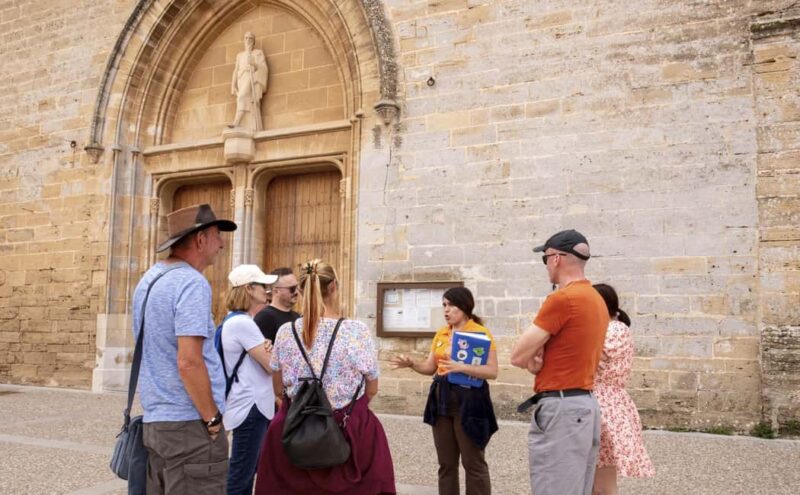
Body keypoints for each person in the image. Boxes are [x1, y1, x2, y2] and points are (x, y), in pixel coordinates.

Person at [254, 259, 396, 495]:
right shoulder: (355, 331)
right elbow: (372, 388)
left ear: (300, 290)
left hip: (295, 428)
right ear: (334, 287)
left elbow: (278, 388)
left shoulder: (286, 332)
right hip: (347, 427)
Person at [133, 203, 236, 494]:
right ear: (200, 239)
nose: (222, 243)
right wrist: (212, 418)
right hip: (189, 425)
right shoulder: (191, 282)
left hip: (157, 422)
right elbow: (189, 362)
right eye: (217, 235)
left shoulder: (148, 280)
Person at [510, 229, 609, 495]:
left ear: (555, 258)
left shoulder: (563, 298)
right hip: (585, 403)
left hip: (562, 407)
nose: (545, 266)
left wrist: (534, 357)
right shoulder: (596, 299)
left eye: (545, 259)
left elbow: (518, 355)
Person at [391, 287, 498, 495]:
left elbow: (492, 371)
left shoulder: (480, 333)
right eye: (444, 305)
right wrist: (412, 364)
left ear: (465, 307)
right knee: (446, 463)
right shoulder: (442, 333)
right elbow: (430, 367)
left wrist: (462, 367)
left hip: (470, 400)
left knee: (472, 462)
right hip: (442, 398)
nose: (446, 310)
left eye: (451, 305)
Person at [220, 264, 279, 495]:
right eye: (263, 286)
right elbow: (272, 365)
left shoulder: (235, 321)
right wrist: (273, 350)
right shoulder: (244, 324)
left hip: (247, 405)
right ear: (248, 289)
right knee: (241, 475)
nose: (267, 290)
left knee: (245, 472)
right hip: (250, 407)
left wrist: (268, 349)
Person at [591, 284, 654, 495]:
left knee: (602, 486)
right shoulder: (605, 329)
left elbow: (588, 358)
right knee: (593, 483)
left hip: (605, 407)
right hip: (601, 404)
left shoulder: (614, 329)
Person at [229, 31, 268, 130]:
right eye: (246, 38)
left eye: (250, 38)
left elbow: (263, 68)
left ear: (254, 41)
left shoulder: (258, 53)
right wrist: (233, 85)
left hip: (252, 78)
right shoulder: (240, 55)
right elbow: (236, 70)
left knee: (242, 97)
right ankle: (245, 123)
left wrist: (254, 63)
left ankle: (236, 122)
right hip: (241, 79)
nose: (248, 40)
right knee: (242, 99)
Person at [254, 267, 300, 343]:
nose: (296, 292)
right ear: (276, 291)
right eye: (292, 288)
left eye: (297, 287)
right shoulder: (265, 317)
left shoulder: (296, 316)